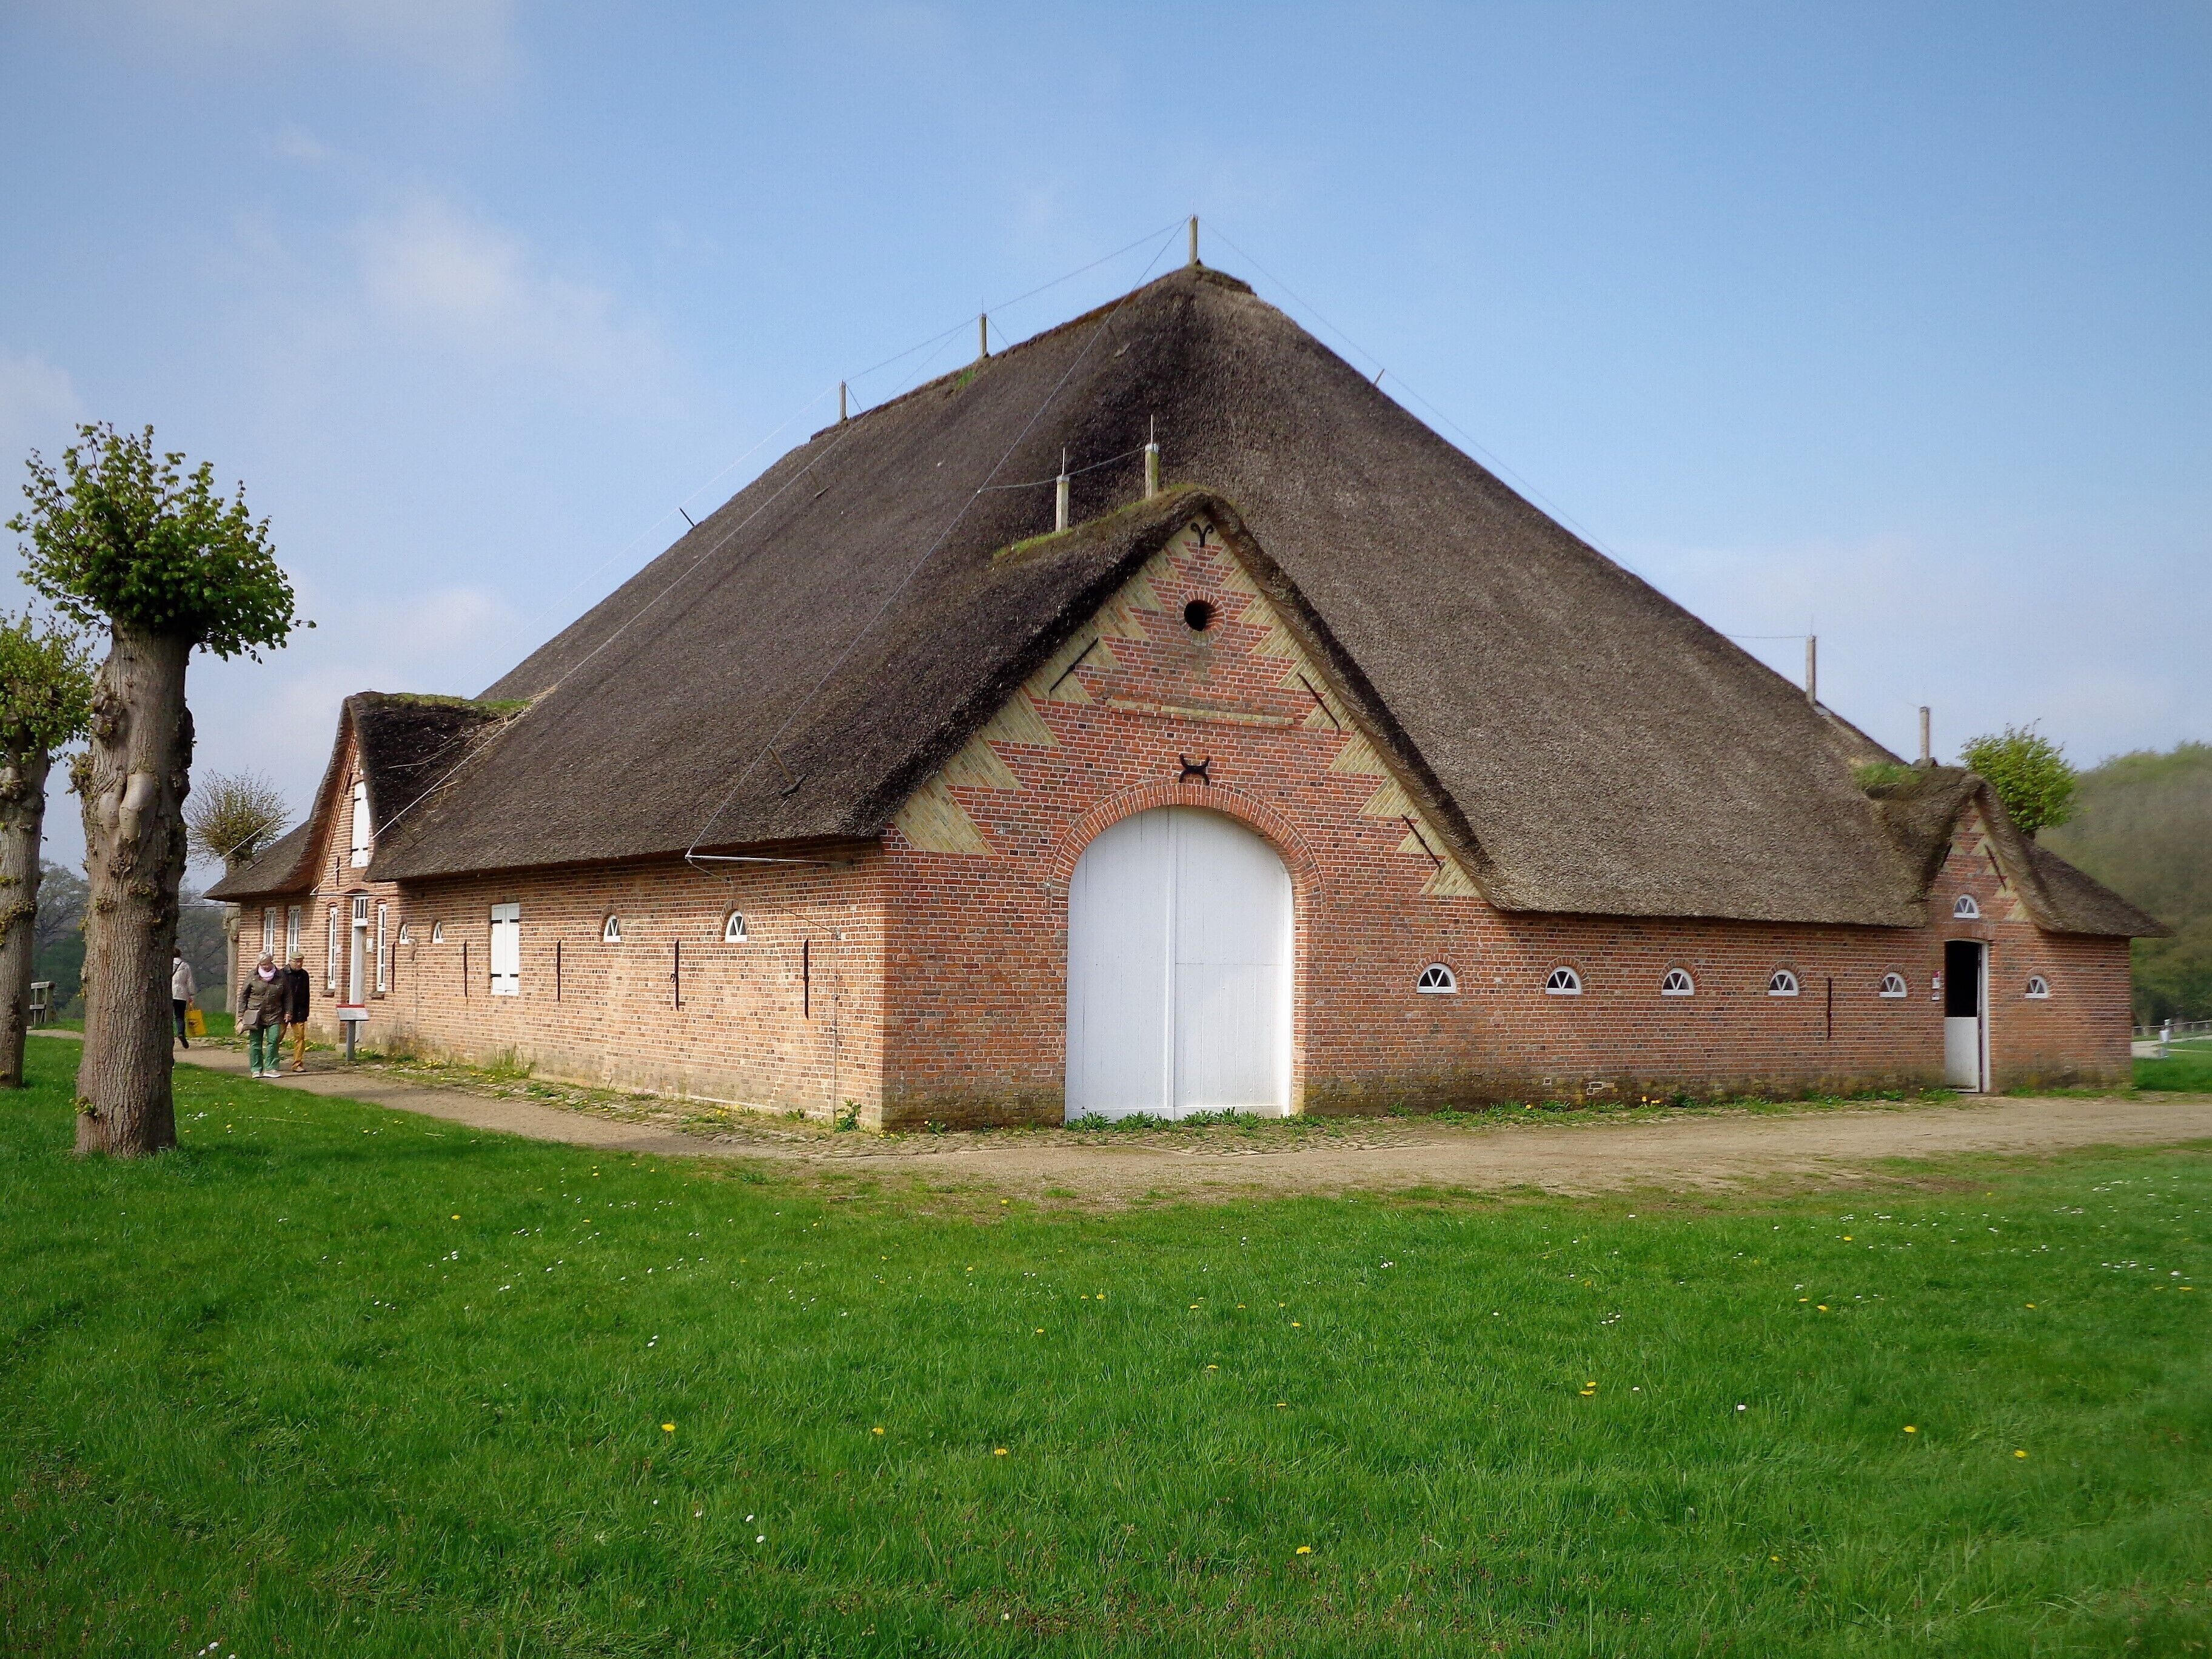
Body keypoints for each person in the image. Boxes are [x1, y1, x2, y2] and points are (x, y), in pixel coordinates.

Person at [238, 953, 289, 1078]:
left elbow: (288, 995)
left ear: (271, 962)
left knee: (274, 1039)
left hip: (275, 1013)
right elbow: (243, 995)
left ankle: (271, 1068)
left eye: (266, 964)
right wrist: (241, 1015)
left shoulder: (281, 976)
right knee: (255, 1042)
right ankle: (256, 1069)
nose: (264, 966)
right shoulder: (252, 975)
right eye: (262, 964)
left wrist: (288, 1012)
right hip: (255, 1013)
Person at [283, 952, 312, 1073]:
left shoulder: (304, 975)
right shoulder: (282, 974)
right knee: (277, 1037)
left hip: (300, 1010)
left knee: (300, 1038)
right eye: (296, 961)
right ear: (290, 961)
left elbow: (307, 994)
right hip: (283, 1011)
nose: (299, 964)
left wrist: (306, 1010)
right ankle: (272, 1062)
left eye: (301, 961)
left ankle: (297, 1064)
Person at [170, 948, 197, 1049]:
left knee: (167, 1017)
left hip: (169, 993)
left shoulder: (166, 965)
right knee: (179, 1016)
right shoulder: (185, 966)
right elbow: (189, 982)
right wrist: (192, 995)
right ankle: (181, 1033)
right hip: (181, 994)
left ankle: (169, 1036)